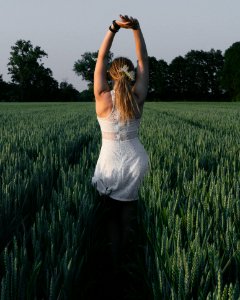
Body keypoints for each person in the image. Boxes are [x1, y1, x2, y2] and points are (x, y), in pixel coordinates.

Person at [91, 14, 150, 300]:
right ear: (129, 75)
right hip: (136, 163)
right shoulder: (137, 97)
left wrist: (113, 29)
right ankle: (129, 268)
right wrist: (137, 29)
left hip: (110, 166)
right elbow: (144, 63)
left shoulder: (102, 96)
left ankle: (113, 266)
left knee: (111, 220)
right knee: (129, 219)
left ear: (112, 75)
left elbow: (101, 58)